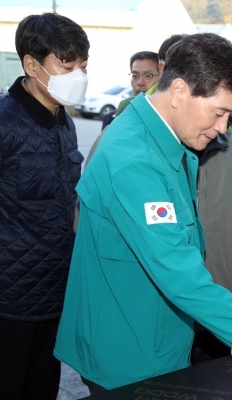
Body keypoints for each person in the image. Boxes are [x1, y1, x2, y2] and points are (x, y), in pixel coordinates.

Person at [54, 34, 232, 392]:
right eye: (218, 112)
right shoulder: (135, 161)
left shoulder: (164, 140)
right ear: (179, 91)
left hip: (159, 339)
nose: (222, 126)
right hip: (129, 355)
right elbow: (181, 276)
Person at [0, 13, 89, 400]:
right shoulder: (4, 123)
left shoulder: (62, 120)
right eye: (67, 67)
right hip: (9, 298)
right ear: (32, 65)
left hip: (54, 290)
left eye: (83, 66)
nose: (79, 76)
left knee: (42, 387)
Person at [102, 51, 161, 129]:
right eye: (135, 76)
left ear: (162, 76)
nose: (140, 83)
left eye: (148, 76)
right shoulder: (112, 119)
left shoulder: (168, 122)